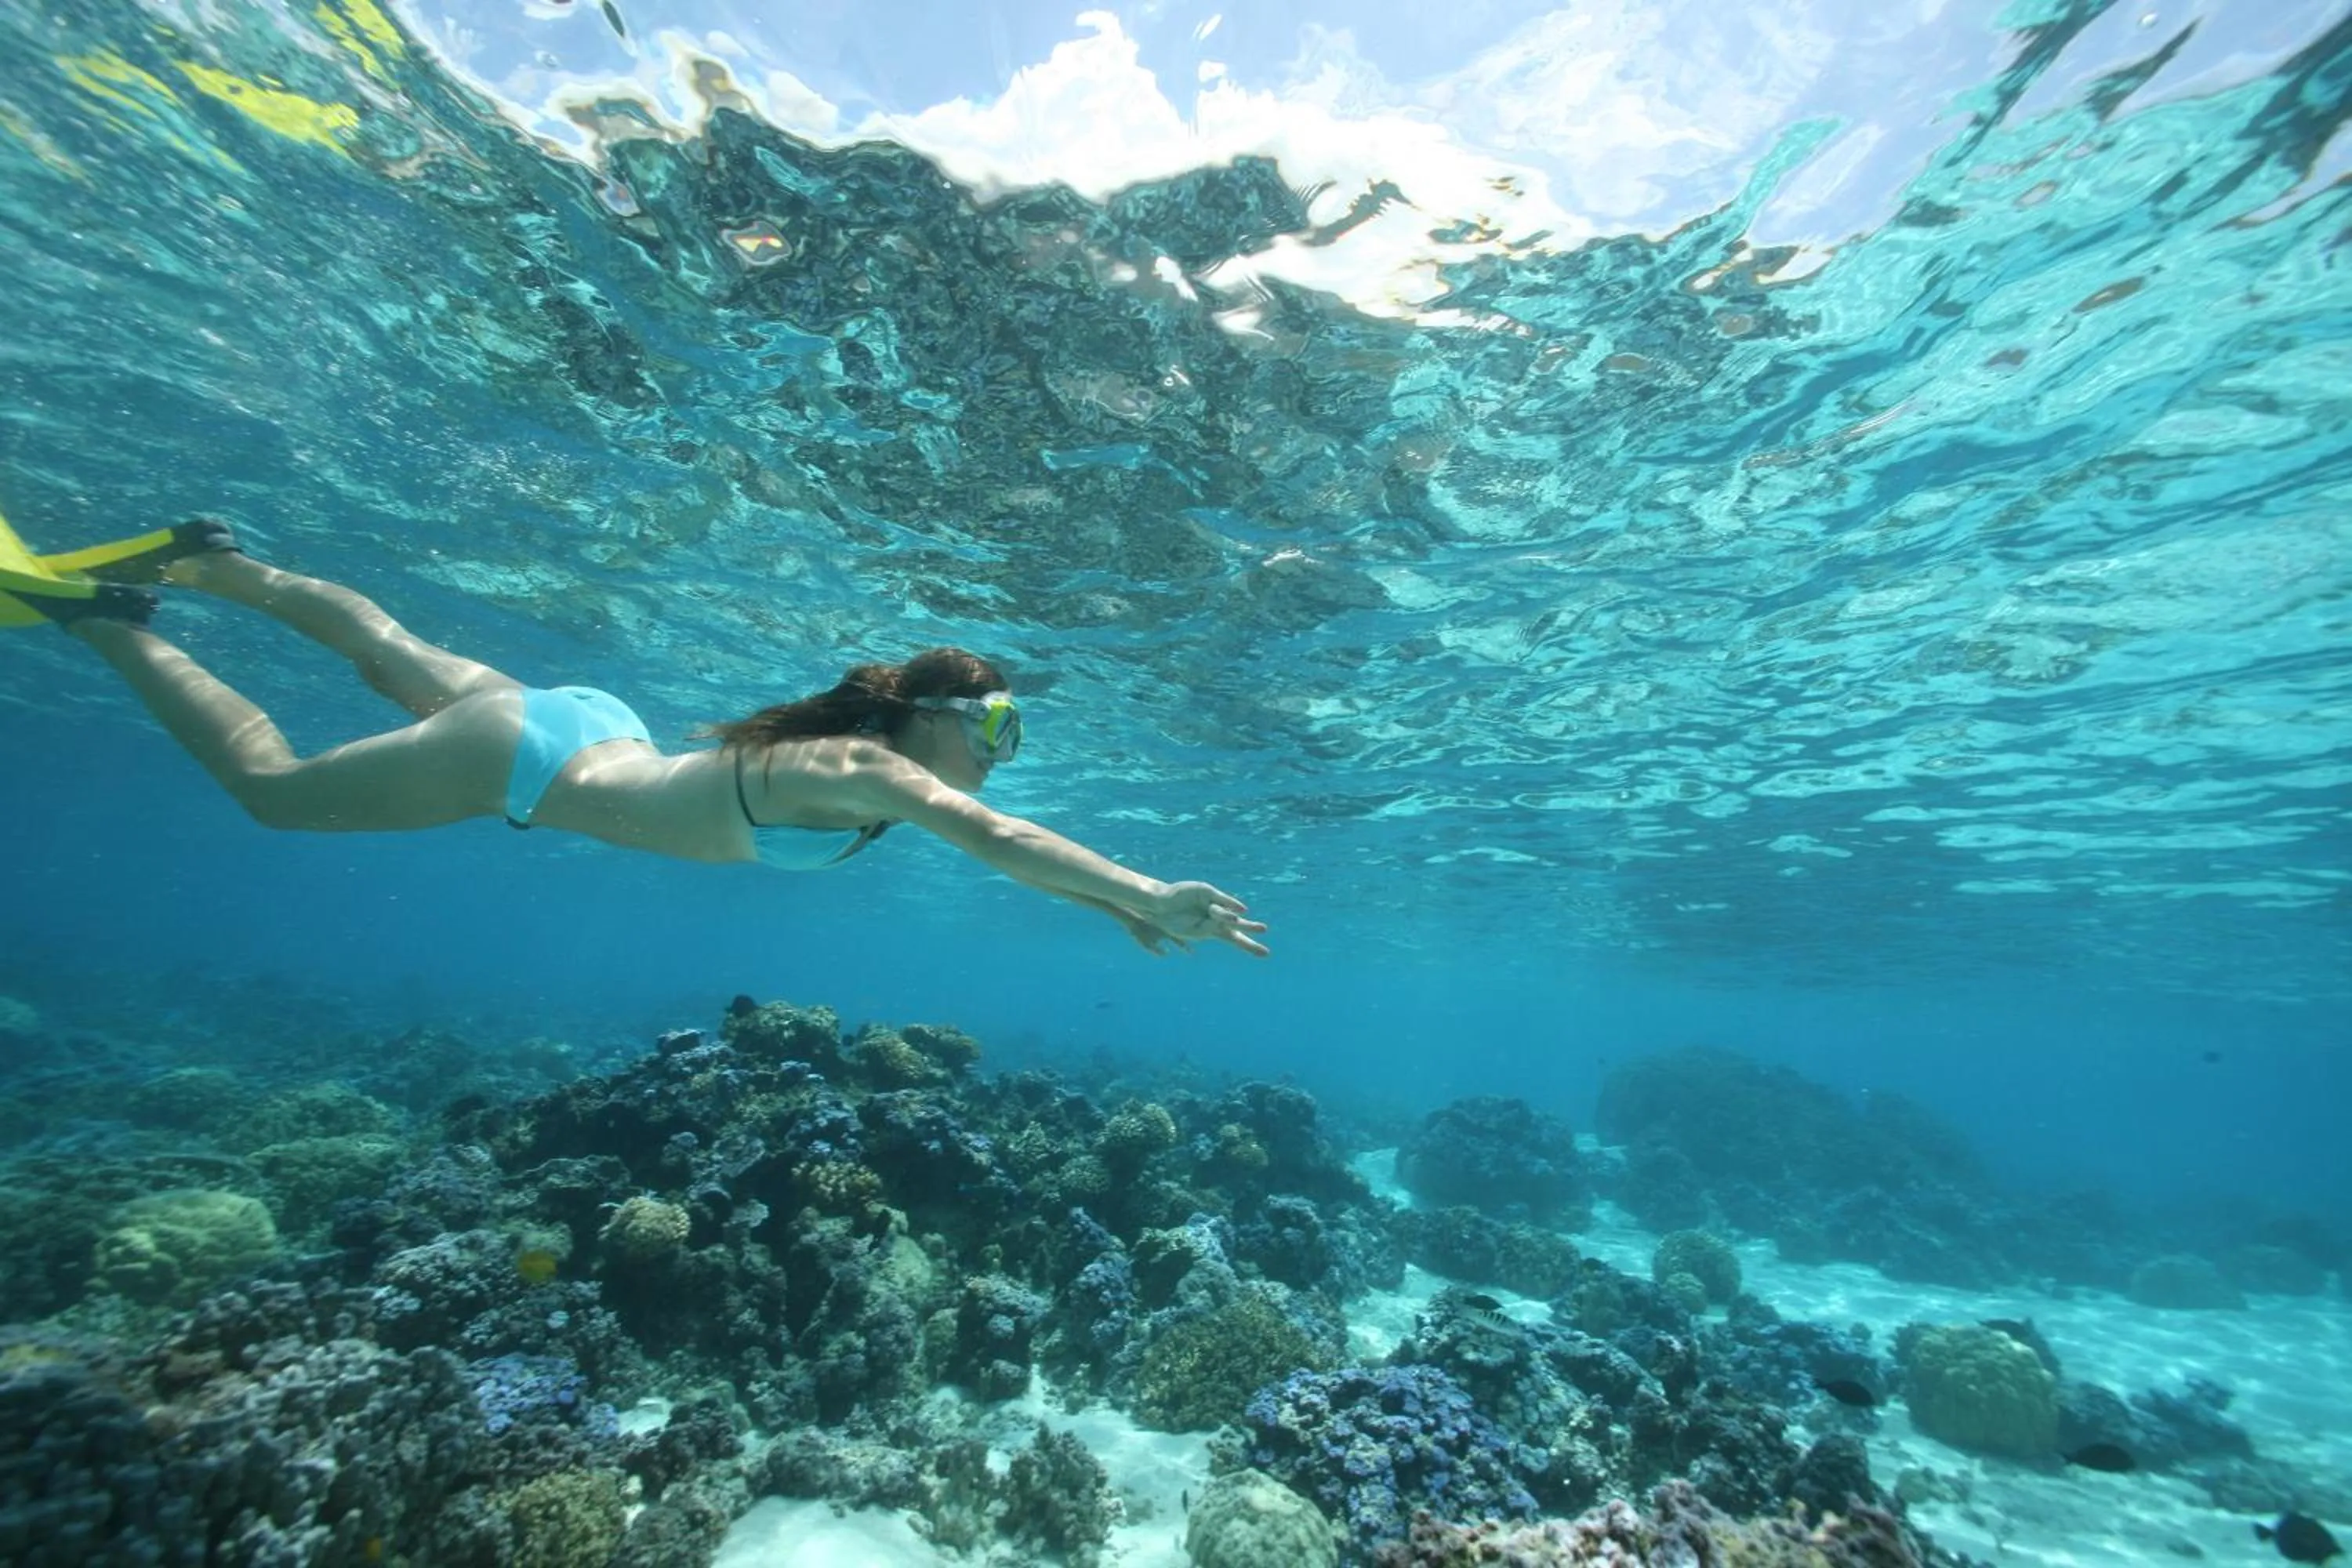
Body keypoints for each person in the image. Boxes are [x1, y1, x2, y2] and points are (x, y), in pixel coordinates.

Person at [1, 516, 1269, 957]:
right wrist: (1148, 889)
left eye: (1014, 726)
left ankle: (219, 562)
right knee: (272, 791)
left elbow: (992, 839)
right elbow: (991, 834)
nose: (1004, 743)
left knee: (387, 652)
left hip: (584, 727)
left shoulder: (860, 771)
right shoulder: (868, 767)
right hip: (536, 758)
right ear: (920, 716)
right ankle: (114, 622)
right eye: (994, 720)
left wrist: (1115, 910)